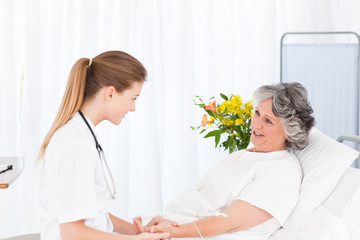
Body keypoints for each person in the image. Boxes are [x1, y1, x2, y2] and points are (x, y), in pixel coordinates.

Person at [133, 82, 315, 240]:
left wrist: (172, 232)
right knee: (108, 224)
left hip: (187, 234)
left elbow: (231, 223)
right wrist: (164, 227)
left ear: (289, 131)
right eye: (257, 113)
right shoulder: (247, 154)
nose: (257, 124)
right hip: (175, 227)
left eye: (268, 121)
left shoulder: (281, 171)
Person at [37, 51, 169, 240]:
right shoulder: (77, 144)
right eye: (134, 98)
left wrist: (137, 230)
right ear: (110, 93)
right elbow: (72, 233)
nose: (133, 108)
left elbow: (94, 215)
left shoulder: (83, 134)